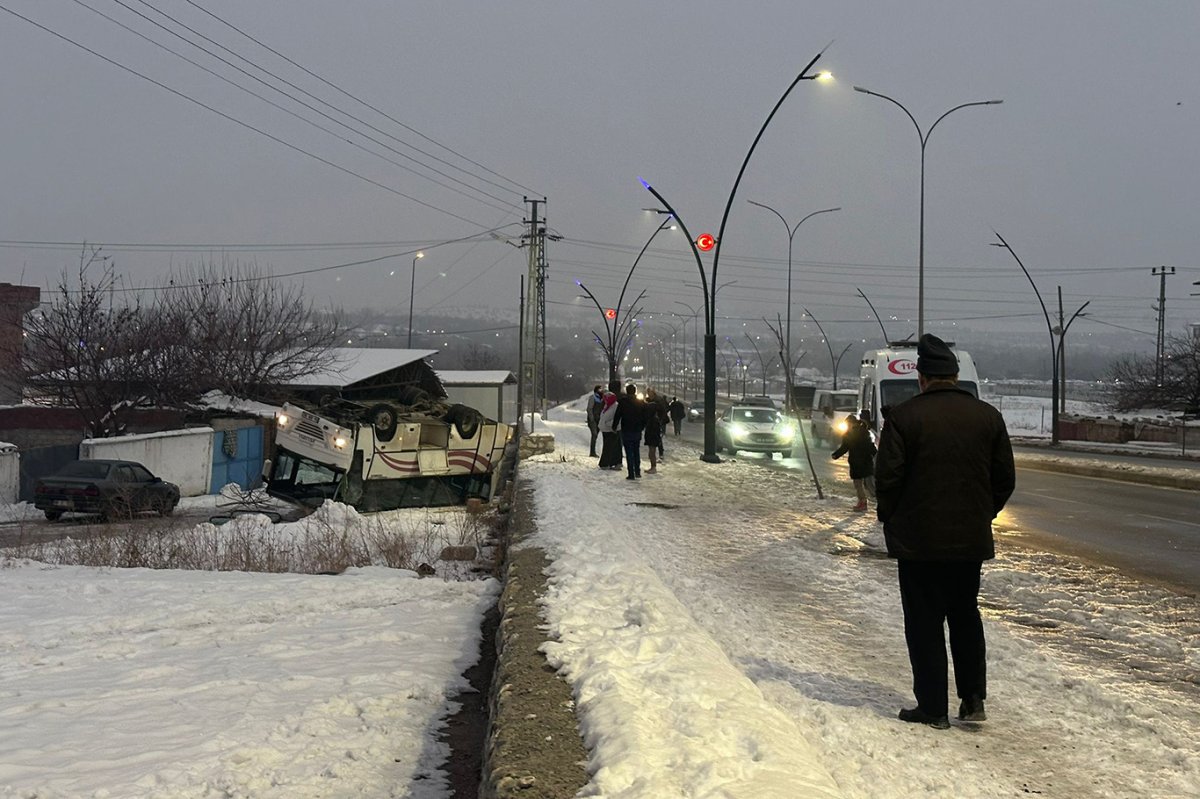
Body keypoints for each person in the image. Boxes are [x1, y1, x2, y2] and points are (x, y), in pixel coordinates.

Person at [875, 333, 1016, 730]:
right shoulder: (989, 417)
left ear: (922, 377)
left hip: (918, 544)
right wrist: (981, 513)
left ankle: (933, 707)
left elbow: (887, 480)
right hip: (968, 543)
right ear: (954, 376)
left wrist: (893, 519)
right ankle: (973, 700)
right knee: (965, 617)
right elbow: (1004, 478)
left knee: (924, 623)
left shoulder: (902, 418)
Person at [831, 410, 876, 511]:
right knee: (869, 484)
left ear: (851, 423)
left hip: (857, 462)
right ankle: (866, 501)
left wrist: (835, 455)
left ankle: (863, 502)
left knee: (859, 484)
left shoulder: (850, 434)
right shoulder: (864, 431)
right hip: (866, 461)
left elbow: (844, 447)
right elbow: (871, 446)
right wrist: (875, 454)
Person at [613, 383, 647, 480]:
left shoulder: (622, 402)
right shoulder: (640, 403)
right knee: (636, 450)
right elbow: (644, 416)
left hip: (626, 429)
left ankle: (631, 473)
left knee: (629, 452)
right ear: (635, 391)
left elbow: (617, 415)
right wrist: (642, 426)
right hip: (637, 429)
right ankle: (637, 471)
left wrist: (614, 426)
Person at [596, 391, 622, 470]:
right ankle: (611, 462)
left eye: (606, 399)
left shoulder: (616, 406)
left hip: (612, 430)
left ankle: (606, 463)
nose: (605, 400)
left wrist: (608, 424)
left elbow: (618, 419)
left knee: (610, 447)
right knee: (609, 447)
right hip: (606, 430)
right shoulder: (608, 405)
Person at [643, 398, 664, 474]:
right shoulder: (654, 419)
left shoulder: (653, 420)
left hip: (652, 438)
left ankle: (653, 467)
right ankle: (652, 467)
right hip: (653, 438)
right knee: (651, 453)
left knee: (652, 453)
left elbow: (653, 430)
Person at [586, 385, 604, 457]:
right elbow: (589, 409)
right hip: (593, 420)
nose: (601, 391)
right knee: (594, 434)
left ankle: (593, 451)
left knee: (595, 436)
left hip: (599, 420)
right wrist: (591, 418)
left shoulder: (601, 399)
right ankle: (592, 452)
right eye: (600, 389)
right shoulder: (593, 398)